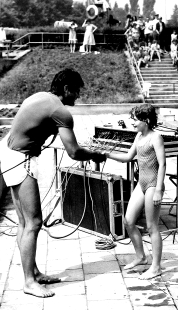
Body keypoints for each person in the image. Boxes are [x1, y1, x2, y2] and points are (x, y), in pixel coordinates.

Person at [0, 68, 106, 298]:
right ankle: (29, 282)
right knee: (34, 222)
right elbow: (75, 153)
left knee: (23, 222)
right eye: (77, 91)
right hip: (21, 159)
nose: (78, 96)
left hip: (9, 151)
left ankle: (34, 273)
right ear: (67, 89)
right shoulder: (61, 112)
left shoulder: (40, 97)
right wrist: (96, 155)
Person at [104, 104, 166, 280]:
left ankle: (156, 267)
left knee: (152, 227)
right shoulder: (139, 135)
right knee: (128, 221)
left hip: (153, 184)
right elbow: (127, 157)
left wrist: (159, 190)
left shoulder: (156, 137)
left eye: (134, 119)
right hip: (142, 183)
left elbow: (162, 164)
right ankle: (141, 256)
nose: (131, 122)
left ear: (145, 121)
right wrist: (106, 154)